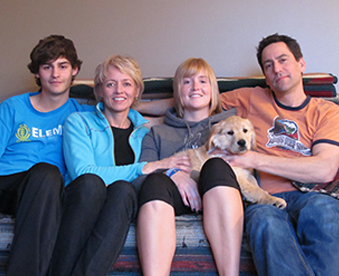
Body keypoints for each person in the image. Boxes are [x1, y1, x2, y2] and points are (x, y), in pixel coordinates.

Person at [48, 55, 190, 276]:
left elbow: (183, 101)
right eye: (110, 84)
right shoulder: (79, 122)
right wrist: (143, 167)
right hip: (82, 199)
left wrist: (171, 171)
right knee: (93, 184)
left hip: (121, 204)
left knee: (124, 190)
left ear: (136, 92)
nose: (118, 91)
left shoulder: (146, 132)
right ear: (99, 91)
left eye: (127, 84)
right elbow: (82, 173)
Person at [220, 34, 339, 276]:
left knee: (323, 210)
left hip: (313, 196)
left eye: (283, 60)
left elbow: (324, 168)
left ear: (301, 64)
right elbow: (190, 100)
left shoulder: (327, 111)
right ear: (265, 75)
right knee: (264, 221)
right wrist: (133, 106)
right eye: (268, 65)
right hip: (264, 199)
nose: (277, 69)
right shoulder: (250, 98)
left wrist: (254, 159)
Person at [137, 58, 244, 276]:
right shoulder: (157, 133)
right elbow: (140, 173)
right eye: (187, 82)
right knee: (155, 180)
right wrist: (174, 173)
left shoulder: (231, 126)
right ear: (177, 92)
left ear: (213, 90)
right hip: (172, 198)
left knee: (216, 165)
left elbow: (247, 166)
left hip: (220, 192)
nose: (196, 87)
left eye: (203, 81)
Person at [0, 35, 92, 276]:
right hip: (8, 184)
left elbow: (123, 100)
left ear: (75, 70)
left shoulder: (83, 115)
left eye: (63, 66)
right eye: (47, 67)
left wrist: (84, 83)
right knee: (46, 173)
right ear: (37, 73)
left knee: (48, 175)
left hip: (49, 189)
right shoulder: (12, 108)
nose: (55, 74)